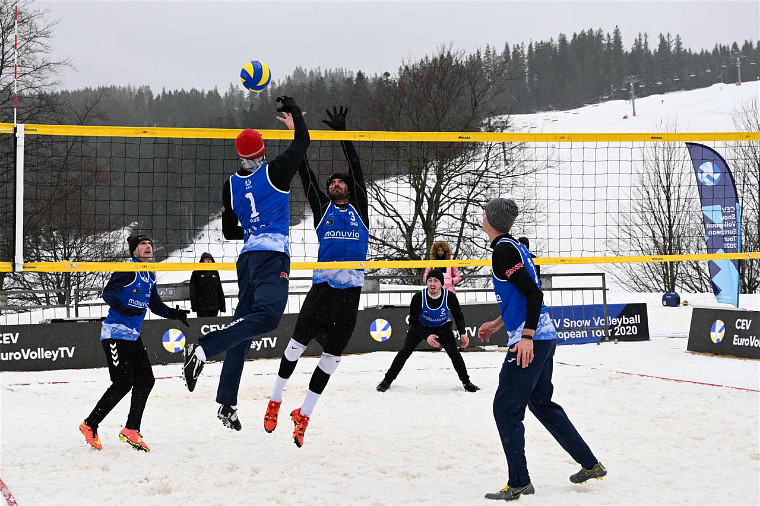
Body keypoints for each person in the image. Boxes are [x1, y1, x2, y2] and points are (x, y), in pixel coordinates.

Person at [182, 95, 310, 432]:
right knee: (267, 318)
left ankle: (227, 402)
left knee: (243, 327)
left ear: (239, 156)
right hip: (270, 256)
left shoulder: (231, 184)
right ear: (263, 150)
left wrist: (254, 230)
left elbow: (227, 230)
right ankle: (204, 349)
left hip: (248, 258)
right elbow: (303, 142)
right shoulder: (276, 171)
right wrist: (294, 114)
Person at [477, 198, 606, 501]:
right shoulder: (516, 247)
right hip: (544, 336)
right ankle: (590, 464)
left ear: (492, 219)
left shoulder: (505, 251)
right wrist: (499, 322)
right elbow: (524, 293)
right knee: (540, 402)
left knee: (505, 409)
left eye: (484, 212)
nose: (481, 216)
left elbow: (534, 293)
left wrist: (526, 336)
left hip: (532, 338)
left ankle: (519, 482)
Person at [263, 106, 369, 448]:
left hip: (350, 296)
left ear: (349, 189)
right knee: (294, 349)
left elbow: (357, 169)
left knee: (332, 361)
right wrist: (299, 128)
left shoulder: (360, 210)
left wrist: (342, 133)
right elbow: (304, 171)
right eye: (331, 182)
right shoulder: (323, 209)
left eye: (340, 182)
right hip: (322, 291)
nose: (336, 183)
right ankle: (276, 399)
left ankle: (303, 414)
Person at [79, 234, 190, 452]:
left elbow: (155, 305)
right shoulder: (127, 268)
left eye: (150, 243)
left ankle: (131, 429)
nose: (148, 247)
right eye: (143, 244)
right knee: (122, 383)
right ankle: (90, 424)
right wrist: (124, 309)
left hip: (132, 335)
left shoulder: (149, 272)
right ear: (134, 250)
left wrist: (174, 314)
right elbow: (108, 293)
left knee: (146, 380)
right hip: (115, 333)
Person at [376, 269, 480, 393]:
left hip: (442, 327)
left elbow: (458, 315)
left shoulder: (449, 296)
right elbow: (413, 321)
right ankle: (386, 381)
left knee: (454, 354)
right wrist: (427, 335)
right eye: (430, 280)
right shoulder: (419, 297)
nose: (432, 283)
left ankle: (466, 382)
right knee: (405, 352)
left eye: (436, 281)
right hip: (422, 327)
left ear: (441, 284)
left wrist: (462, 333)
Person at [189, 252, 226, 317]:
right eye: (206, 259)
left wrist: (222, 306)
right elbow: (193, 290)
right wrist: (194, 306)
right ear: (202, 261)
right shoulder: (196, 272)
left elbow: (219, 289)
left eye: (210, 259)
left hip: (214, 306)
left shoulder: (215, 272)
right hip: (202, 306)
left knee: (213, 324)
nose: (208, 261)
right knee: (202, 324)